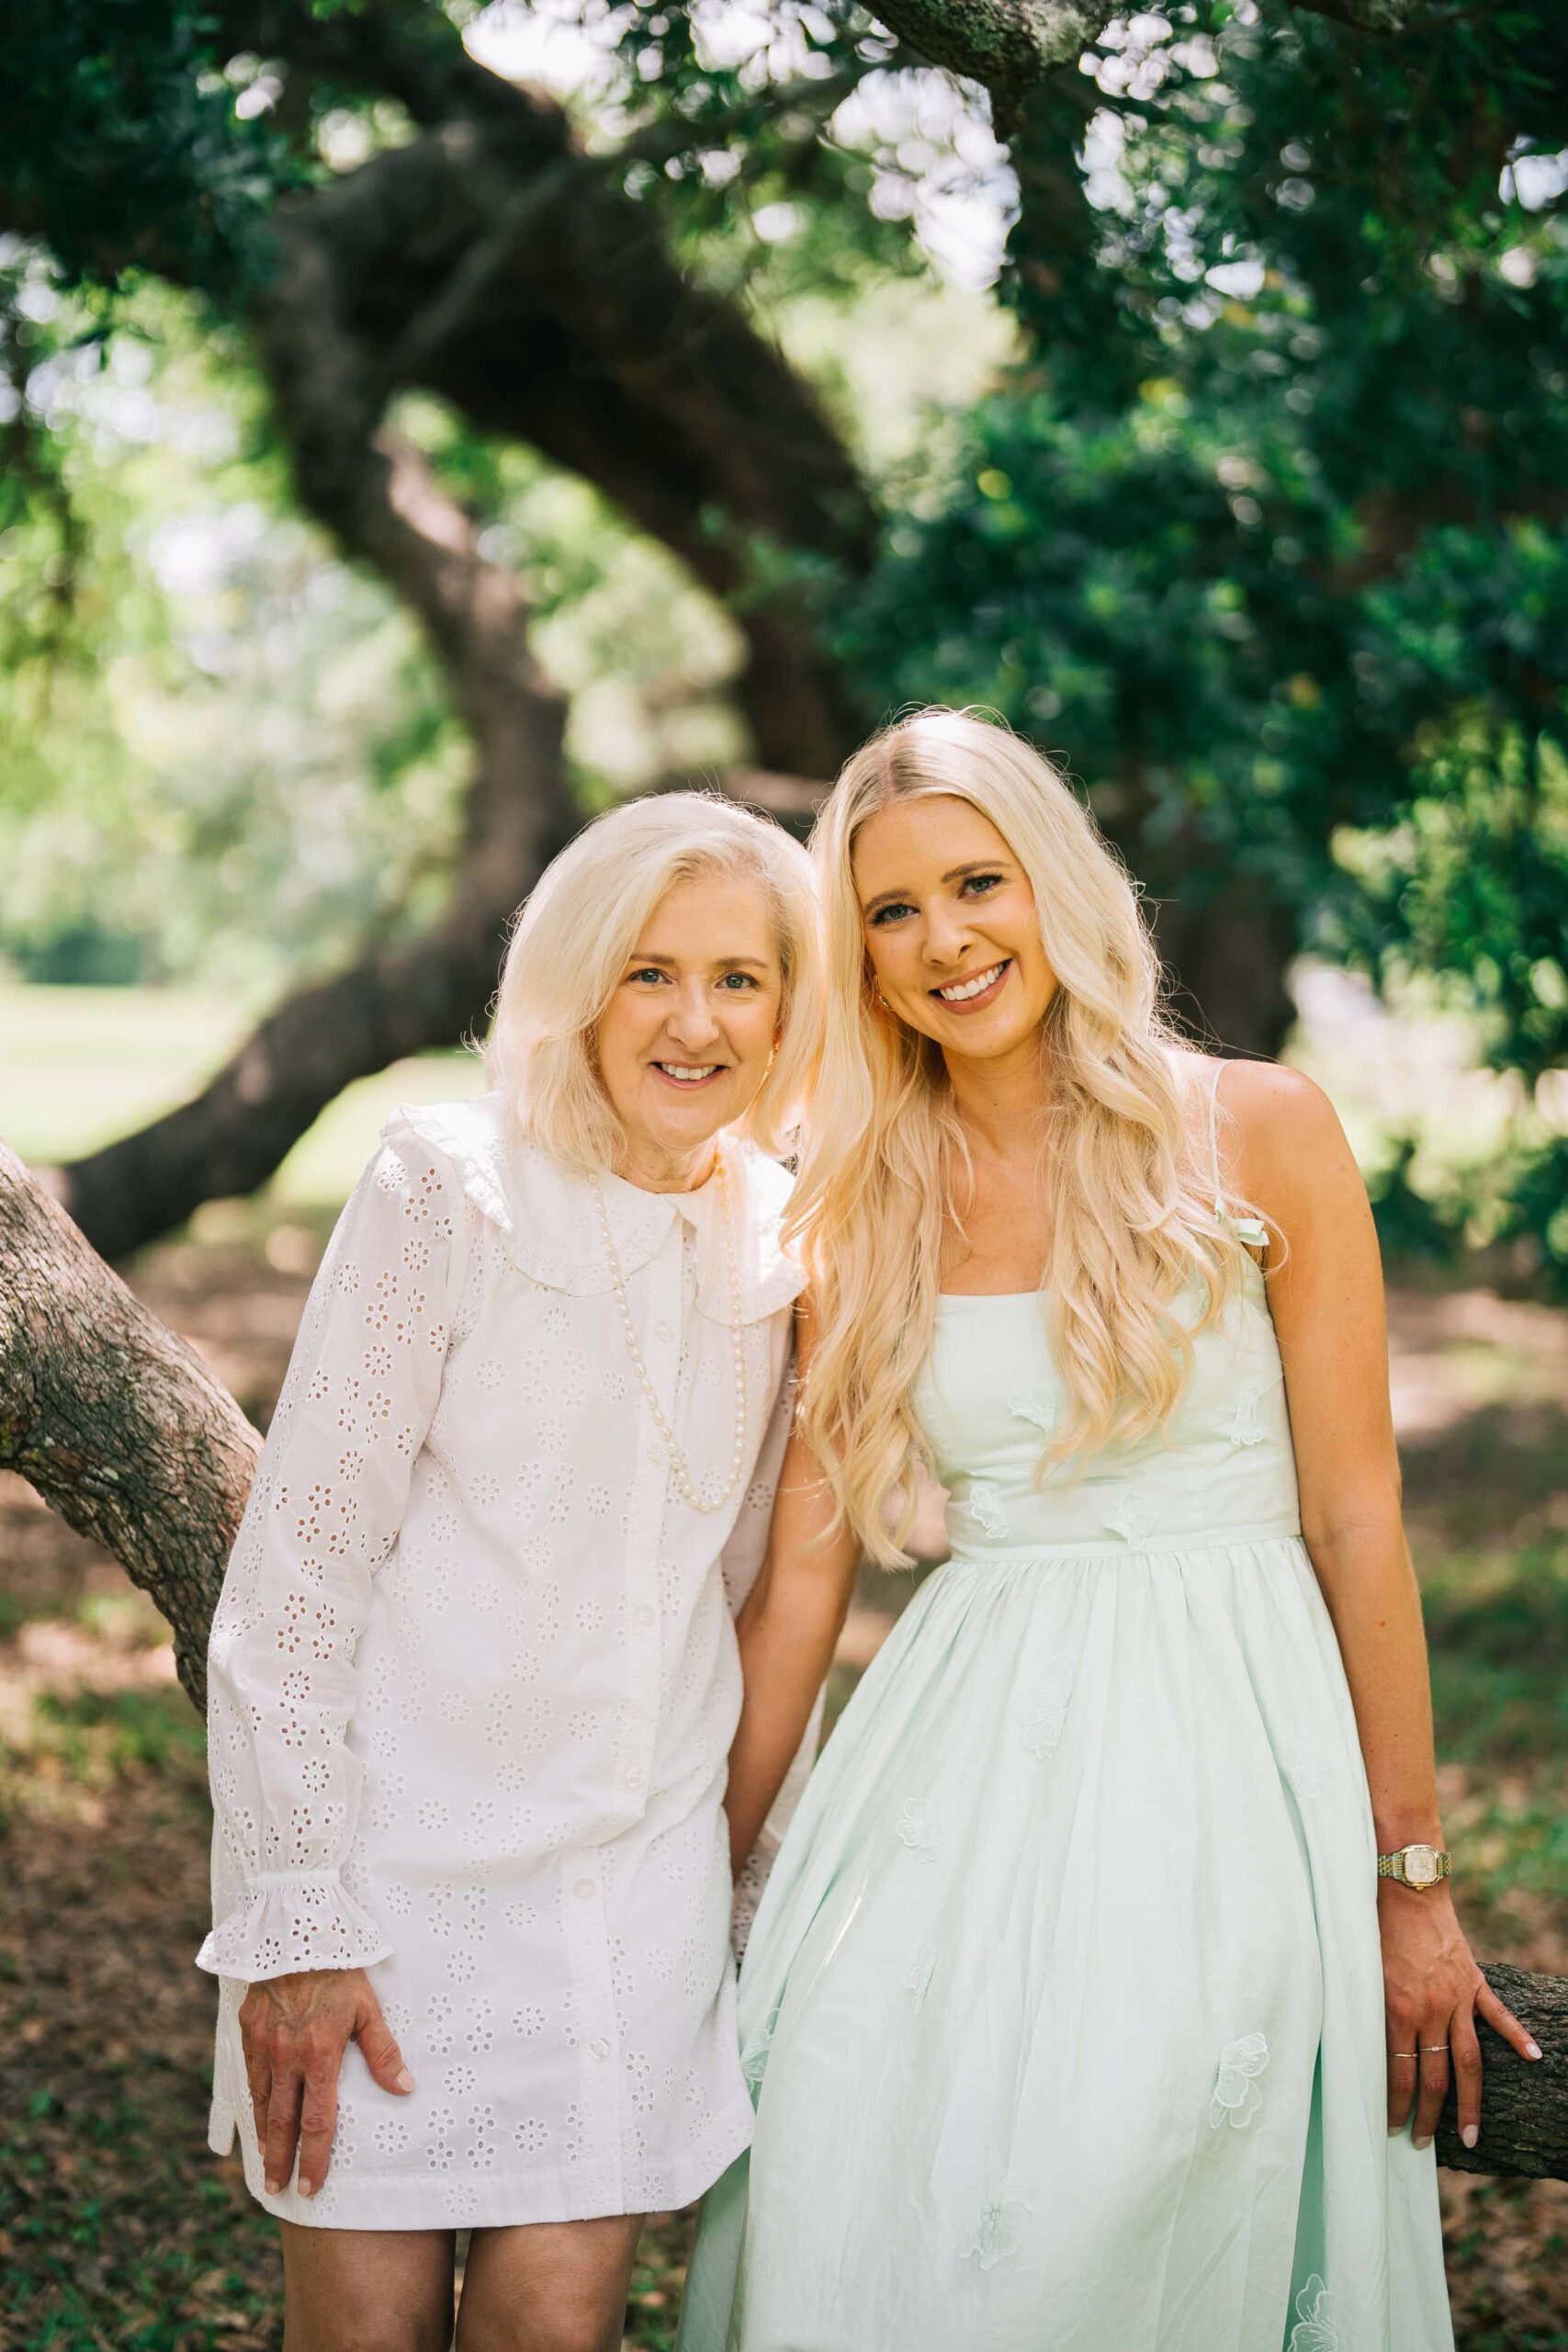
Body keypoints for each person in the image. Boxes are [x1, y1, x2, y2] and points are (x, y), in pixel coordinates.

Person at [677, 708, 1542, 2352]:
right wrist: (698, 1857)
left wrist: (1411, 1883)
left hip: (1228, 1740)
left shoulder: (1258, 1128)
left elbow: (1361, 1521)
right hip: (954, 1756)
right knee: (850, 2137)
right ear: (856, 958)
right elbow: (803, 1584)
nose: (946, 940)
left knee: (1127, 2178)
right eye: (890, 912)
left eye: (976, 882)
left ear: (1053, 882)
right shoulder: (854, 1199)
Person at [195, 791, 823, 2352]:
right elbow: (299, 1584)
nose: (695, 1022)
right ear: (576, 981)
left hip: (623, 1893)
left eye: (741, 979)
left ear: (794, 1007)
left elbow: (752, 1594)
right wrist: (297, 1923)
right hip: (387, 1878)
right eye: (649, 972)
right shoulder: (451, 1187)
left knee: (558, 2327)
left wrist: (713, 1868)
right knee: (367, 2333)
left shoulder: (790, 1241)